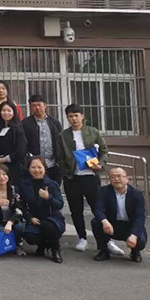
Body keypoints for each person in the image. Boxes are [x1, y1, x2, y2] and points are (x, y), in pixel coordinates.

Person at [56, 103, 108, 253]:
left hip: (91, 176)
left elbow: (104, 150)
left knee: (97, 208)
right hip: (72, 178)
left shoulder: (93, 132)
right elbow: (59, 156)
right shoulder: (63, 135)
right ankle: (82, 237)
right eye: (70, 116)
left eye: (76, 116)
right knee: (75, 209)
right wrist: (66, 171)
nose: (73, 119)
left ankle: (105, 239)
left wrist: (100, 164)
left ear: (82, 116)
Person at [92, 167, 148, 263]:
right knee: (96, 222)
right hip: (111, 224)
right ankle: (104, 251)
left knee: (140, 241)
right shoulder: (104, 191)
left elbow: (140, 216)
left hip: (129, 225)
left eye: (119, 176)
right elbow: (98, 209)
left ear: (127, 179)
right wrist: (104, 221)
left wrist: (134, 235)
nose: (116, 179)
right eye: (113, 177)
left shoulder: (137, 194)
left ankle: (135, 252)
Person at [20, 156, 65, 263]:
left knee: (47, 225)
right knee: (29, 236)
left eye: (39, 167)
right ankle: (43, 245)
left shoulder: (52, 184)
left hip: (52, 219)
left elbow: (59, 204)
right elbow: (21, 204)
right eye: (33, 167)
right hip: (35, 218)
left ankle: (55, 249)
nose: (37, 170)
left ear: (44, 168)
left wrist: (48, 198)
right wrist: (29, 217)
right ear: (28, 169)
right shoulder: (24, 184)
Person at [22, 94, 63, 183]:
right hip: (34, 166)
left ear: (45, 105)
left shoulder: (54, 122)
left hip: (53, 164)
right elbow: (23, 143)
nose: (37, 108)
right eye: (34, 106)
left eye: (39, 105)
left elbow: (59, 141)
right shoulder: (25, 123)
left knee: (53, 187)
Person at [0, 164, 26, 257]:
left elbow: (20, 209)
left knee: (20, 227)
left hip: (13, 220)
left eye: (4, 174)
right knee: (0, 231)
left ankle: (18, 244)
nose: (2, 177)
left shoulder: (14, 189)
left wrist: (10, 222)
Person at [0, 101, 27, 185]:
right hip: (2, 168)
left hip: (15, 168)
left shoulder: (18, 129)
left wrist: (4, 159)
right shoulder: (1, 128)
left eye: (9, 111)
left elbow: (21, 150)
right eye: (3, 110)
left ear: (14, 112)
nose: (6, 113)